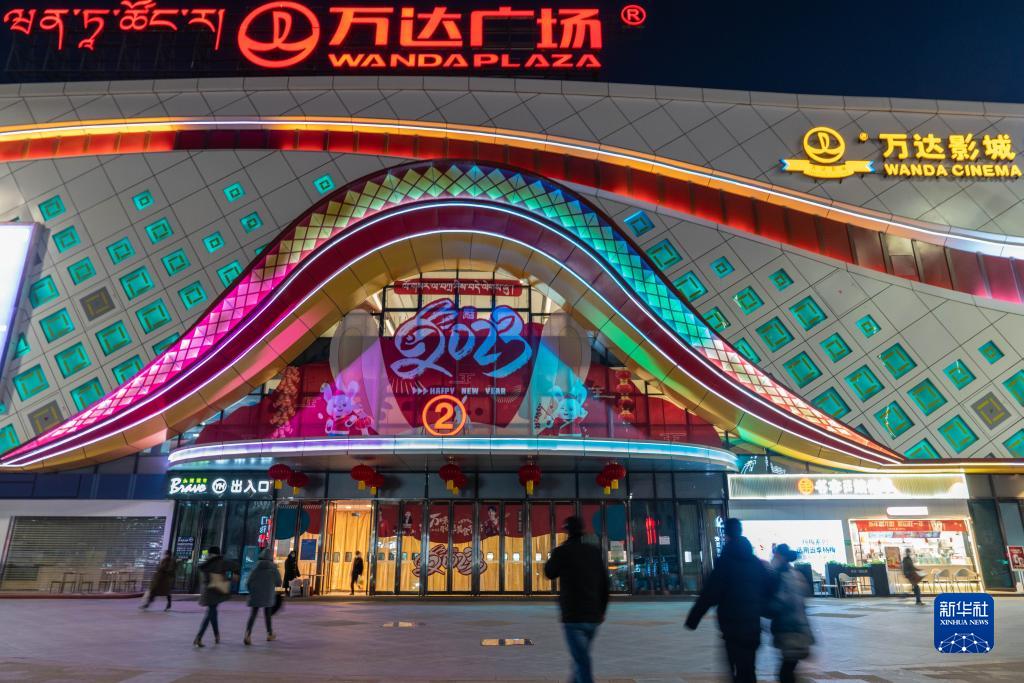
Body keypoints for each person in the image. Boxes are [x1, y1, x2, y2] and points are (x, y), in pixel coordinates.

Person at [685, 518, 773, 683]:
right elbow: (769, 589)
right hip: (753, 627)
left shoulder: (725, 562)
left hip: (732, 628)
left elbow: (710, 594)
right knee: (748, 668)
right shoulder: (755, 562)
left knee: (737, 669)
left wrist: (693, 619)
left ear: (726, 535)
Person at [544, 515, 609, 683]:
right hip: (593, 616)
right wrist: (602, 611)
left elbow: (549, 572)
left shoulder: (562, 551)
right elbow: (605, 584)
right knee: (580, 657)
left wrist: (556, 553)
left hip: (573, 616)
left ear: (567, 531)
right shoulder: (593, 552)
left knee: (581, 660)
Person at [768, 544, 813, 683]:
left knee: (786, 671)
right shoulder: (796, 574)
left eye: (775, 555)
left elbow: (778, 604)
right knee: (789, 668)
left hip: (789, 628)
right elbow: (805, 597)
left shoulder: (781, 576)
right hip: (799, 626)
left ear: (779, 556)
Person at [194, 546, 238, 648]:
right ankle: (199, 637)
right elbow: (236, 565)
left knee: (213, 612)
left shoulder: (206, 563)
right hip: (217, 591)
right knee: (210, 613)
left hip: (207, 591)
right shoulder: (220, 562)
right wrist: (235, 574)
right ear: (218, 553)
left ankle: (216, 635)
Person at [244, 549, 282, 645]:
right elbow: (279, 582)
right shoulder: (273, 568)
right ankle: (269, 634)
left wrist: (251, 591)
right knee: (267, 615)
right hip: (268, 595)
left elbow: (248, 582)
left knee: (253, 614)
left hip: (255, 595)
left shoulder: (255, 567)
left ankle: (247, 634)